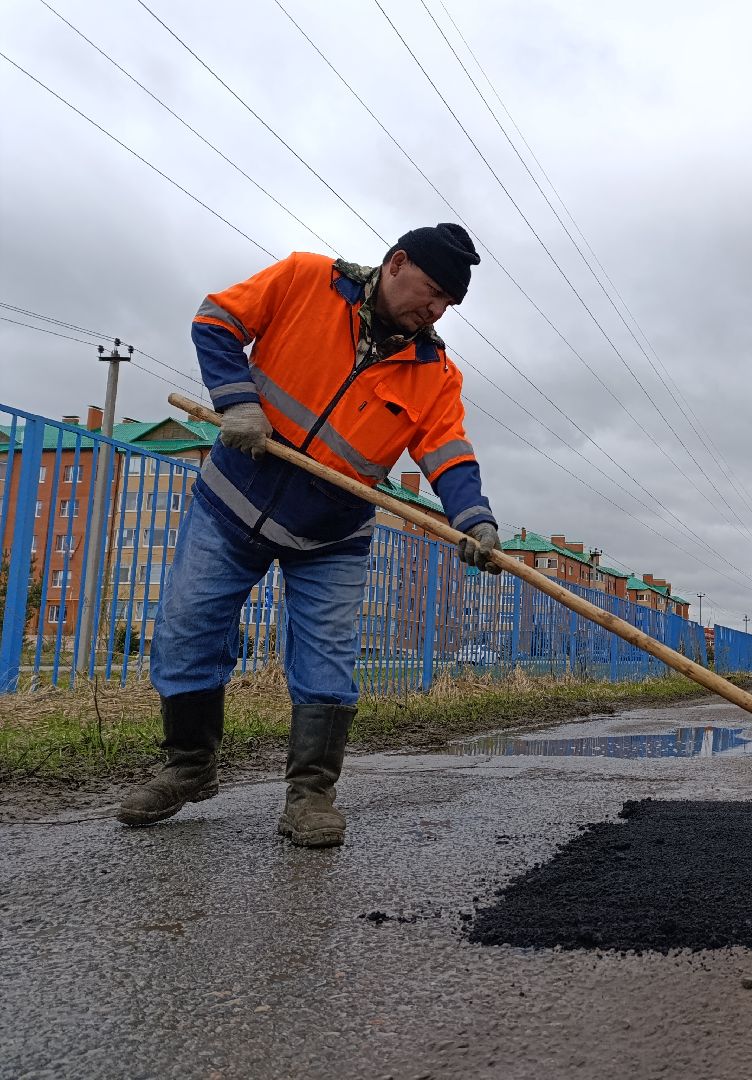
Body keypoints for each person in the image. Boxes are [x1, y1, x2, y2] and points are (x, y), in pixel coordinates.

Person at [116, 224, 502, 847]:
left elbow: (448, 453)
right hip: (230, 505)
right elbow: (216, 320)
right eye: (430, 293)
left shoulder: (434, 374)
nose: (433, 312)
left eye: (446, 306)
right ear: (396, 263)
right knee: (187, 629)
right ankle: (188, 767)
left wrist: (473, 518)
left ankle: (311, 795)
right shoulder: (305, 280)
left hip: (332, 535)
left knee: (328, 658)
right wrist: (238, 400)